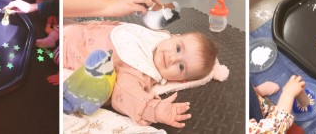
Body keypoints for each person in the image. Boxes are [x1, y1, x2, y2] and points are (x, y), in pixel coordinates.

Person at [63, 21, 218, 128]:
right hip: (78, 26)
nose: (172, 58)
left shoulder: (140, 71)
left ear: (181, 80)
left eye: (181, 66)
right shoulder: (157, 37)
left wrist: (154, 109)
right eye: (178, 48)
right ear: (175, 36)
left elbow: (127, 93)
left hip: (66, 47)